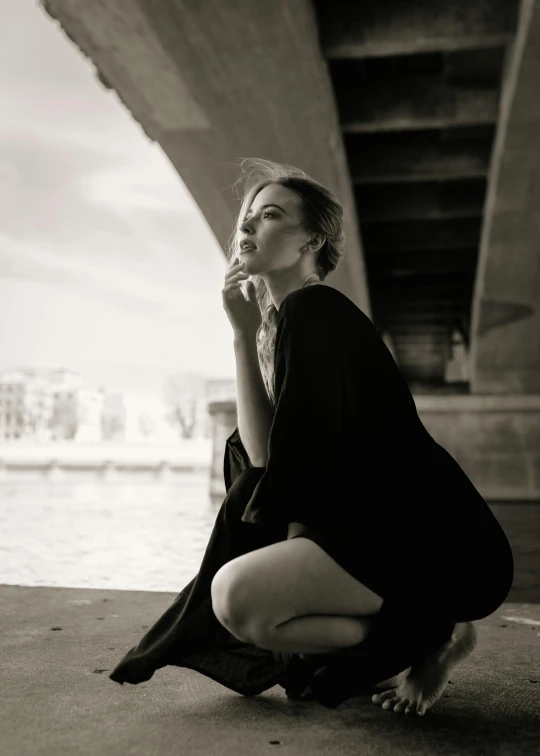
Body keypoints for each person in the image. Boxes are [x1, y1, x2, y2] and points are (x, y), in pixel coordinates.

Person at [109, 158, 514, 716]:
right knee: (251, 615)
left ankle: (433, 630)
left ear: (311, 241)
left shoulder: (314, 308)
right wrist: (243, 334)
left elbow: (283, 463)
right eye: (247, 217)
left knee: (238, 599)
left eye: (270, 216)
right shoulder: (283, 323)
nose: (247, 226)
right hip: (385, 531)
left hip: (429, 538)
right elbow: (260, 457)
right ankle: (435, 626)